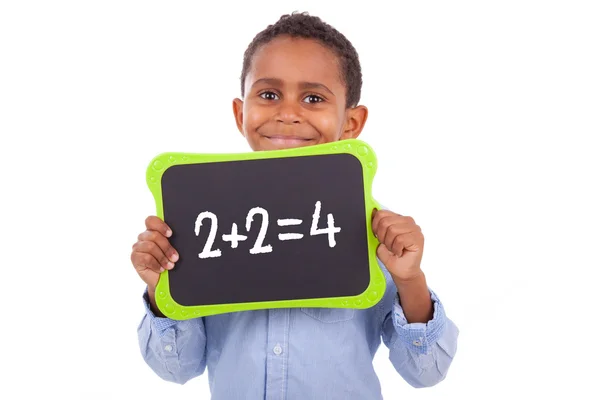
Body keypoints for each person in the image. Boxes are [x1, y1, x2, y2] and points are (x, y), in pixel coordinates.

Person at [132, 12, 459, 399]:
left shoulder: (372, 230)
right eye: (269, 95)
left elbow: (426, 371)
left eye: (313, 98)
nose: (287, 114)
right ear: (241, 114)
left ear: (351, 122)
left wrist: (409, 280)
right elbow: (177, 367)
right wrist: (162, 289)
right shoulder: (202, 225)